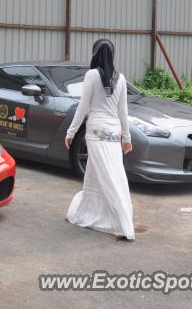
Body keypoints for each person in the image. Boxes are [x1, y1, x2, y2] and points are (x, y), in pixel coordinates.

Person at [64, 39, 135, 240]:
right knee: (105, 173)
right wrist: (126, 138)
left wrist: (71, 133)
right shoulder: (121, 78)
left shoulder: (91, 75)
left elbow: (82, 106)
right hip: (113, 133)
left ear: (94, 54)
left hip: (96, 132)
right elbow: (123, 111)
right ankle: (87, 212)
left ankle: (122, 222)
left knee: (107, 176)